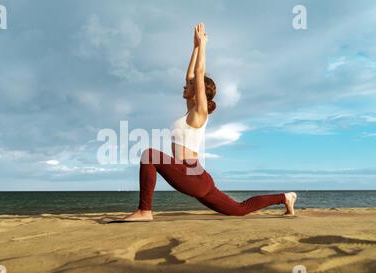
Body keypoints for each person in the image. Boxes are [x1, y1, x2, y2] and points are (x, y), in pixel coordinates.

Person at [123, 23, 297, 222]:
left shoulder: (200, 112)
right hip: (194, 175)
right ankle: (285, 197)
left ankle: (145, 211)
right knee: (239, 209)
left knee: (149, 155)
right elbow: (191, 75)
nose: (185, 85)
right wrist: (195, 47)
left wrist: (204, 46)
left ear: (199, 93)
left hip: (192, 173)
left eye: (190, 86)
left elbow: (197, 75)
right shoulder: (191, 111)